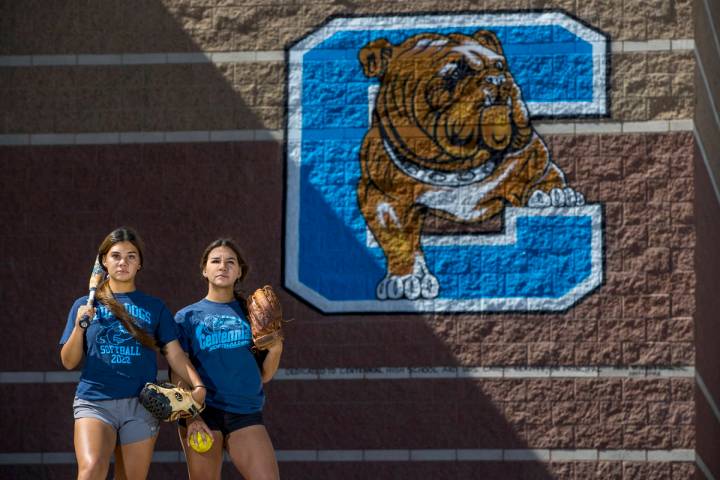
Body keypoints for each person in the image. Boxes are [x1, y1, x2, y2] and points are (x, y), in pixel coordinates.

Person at [60, 227, 211, 480]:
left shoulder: (154, 307)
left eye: (131, 256)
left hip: (141, 404)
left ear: (139, 263)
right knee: (91, 469)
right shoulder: (84, 305)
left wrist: (198, 385)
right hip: (95, 401)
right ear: (104, 262)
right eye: (116, 255)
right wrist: (78, 327)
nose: (123, 262)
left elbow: (174, 354)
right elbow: (69, 361)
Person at [172, 238, 283, 480]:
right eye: (216, 261)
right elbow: (178, 373)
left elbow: (265, 375)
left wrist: (275, 349)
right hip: (202, 412)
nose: (223, 266)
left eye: (230, 262)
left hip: (245, 411)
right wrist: (191, 416)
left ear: (239, 271)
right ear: (204, 269)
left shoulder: (253, 313)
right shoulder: (186, 317)